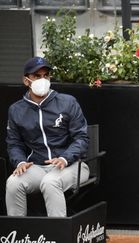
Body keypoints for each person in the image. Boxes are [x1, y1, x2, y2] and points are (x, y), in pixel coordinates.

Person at [5, 56, 90, 217]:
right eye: (37, 76)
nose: (42, 79)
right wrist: (20, 162)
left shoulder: (67, 102)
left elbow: (81, 138)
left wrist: (65, 158)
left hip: (72, 166)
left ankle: (58, 236)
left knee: (51, 182)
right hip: (37, 167)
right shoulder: (16, 110)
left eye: (46, 75)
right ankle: (16, 234)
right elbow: (14, 143)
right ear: (26, 81)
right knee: (13, 183)